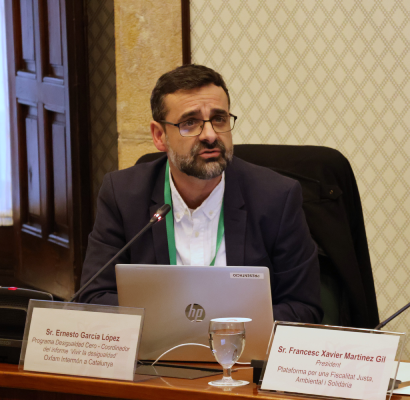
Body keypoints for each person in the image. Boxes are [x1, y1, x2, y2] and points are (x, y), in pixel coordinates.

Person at [79, 64, 323, 323]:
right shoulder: (123, 195)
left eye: (219, 119)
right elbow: (93, 298)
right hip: (152, 358)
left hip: (240, 357)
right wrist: (171, 324)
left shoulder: (276, 197)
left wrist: (220, 328)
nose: (209, 135)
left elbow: (304, 308)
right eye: (190, 122)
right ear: (160, 135)